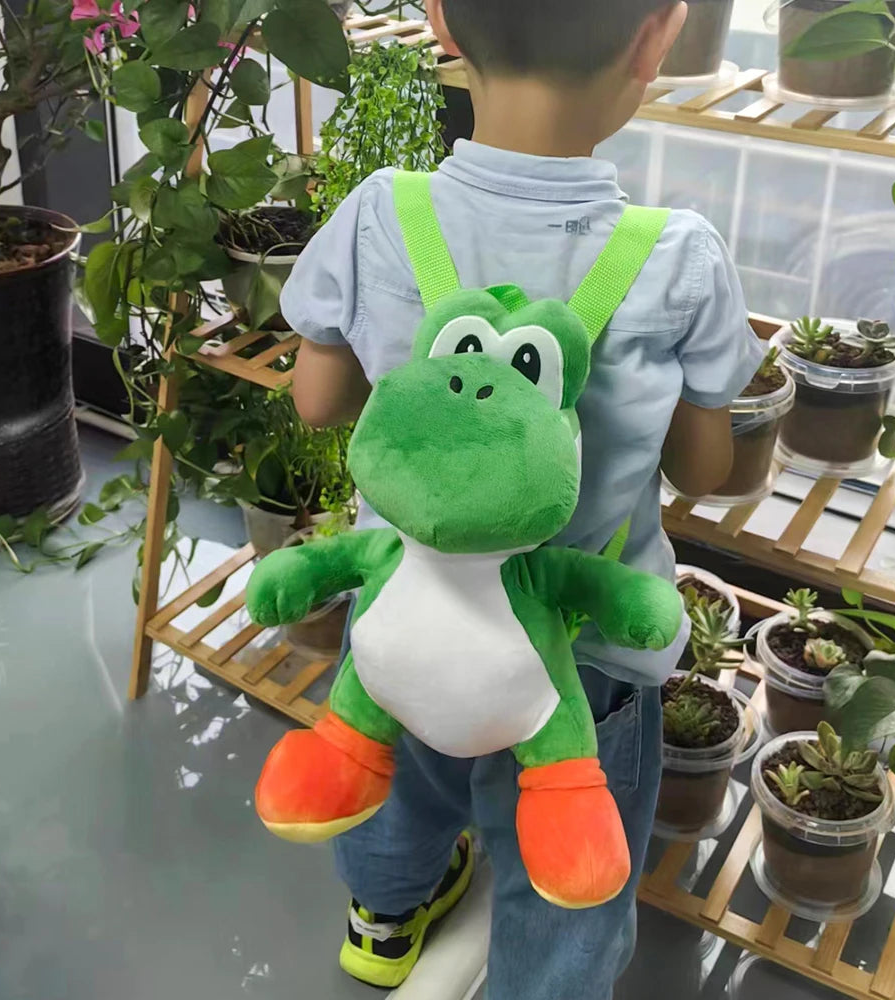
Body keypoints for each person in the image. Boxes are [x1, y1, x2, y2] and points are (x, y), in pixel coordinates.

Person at [277, 0, 764, 995]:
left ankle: (383, 919)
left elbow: (318, 400)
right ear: (658, 37)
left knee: (395, 781)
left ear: (441, 22)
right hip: (585, 651)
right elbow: (705, 471)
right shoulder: (676, 254)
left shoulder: (381, 211)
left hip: (407, 614)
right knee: (567, 850)